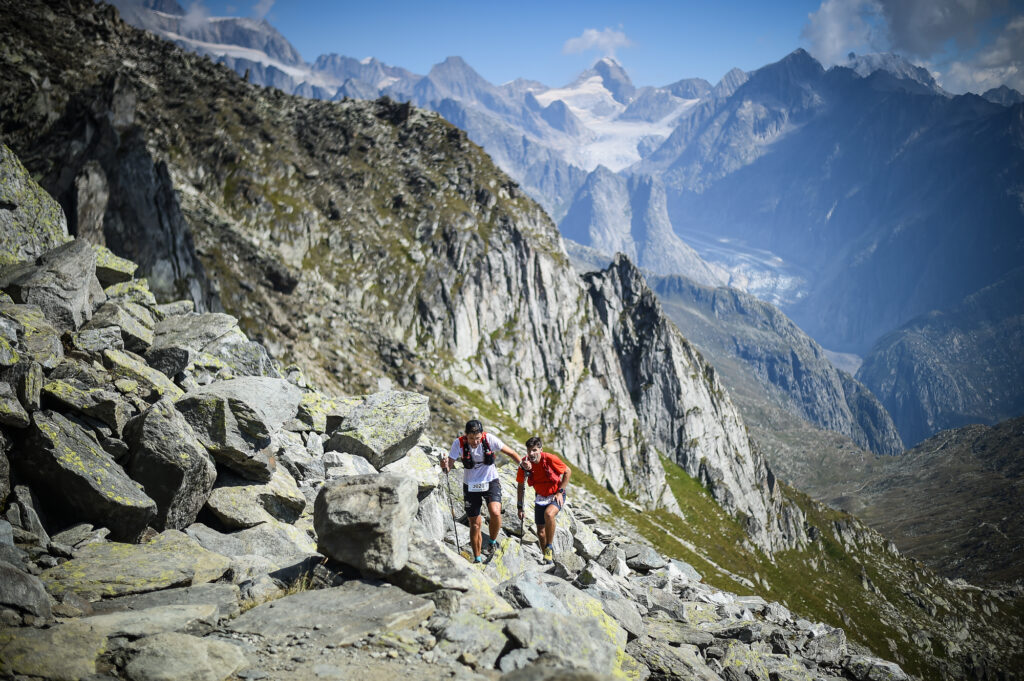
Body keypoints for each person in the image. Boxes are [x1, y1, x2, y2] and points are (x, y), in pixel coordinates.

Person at [440, 419, 528, 563]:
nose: (474, 442)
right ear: (465, 435)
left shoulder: (489, 439)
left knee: (495, 512)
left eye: (477, 438)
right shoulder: (459, 443)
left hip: (490, 481)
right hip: (470, 485)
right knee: (475, 524)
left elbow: (511, 452)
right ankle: (477, 558)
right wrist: (444, 465)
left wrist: (522, 465)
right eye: (471, 439)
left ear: (482, 435)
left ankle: (492, 541)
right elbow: (448, 466)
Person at [516, 436, 570, 564]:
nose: (531, 453)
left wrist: (560, 491)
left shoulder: (549, 458)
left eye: (534, 450)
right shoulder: (525, 464)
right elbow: (520, 485)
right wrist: (520, 507)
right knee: (540, 532)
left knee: (549, 514)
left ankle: (549, 547)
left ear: (541, 449)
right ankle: (547, 559)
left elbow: (568, 471)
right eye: (529, 451)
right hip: (540, 496)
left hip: (555, 494)